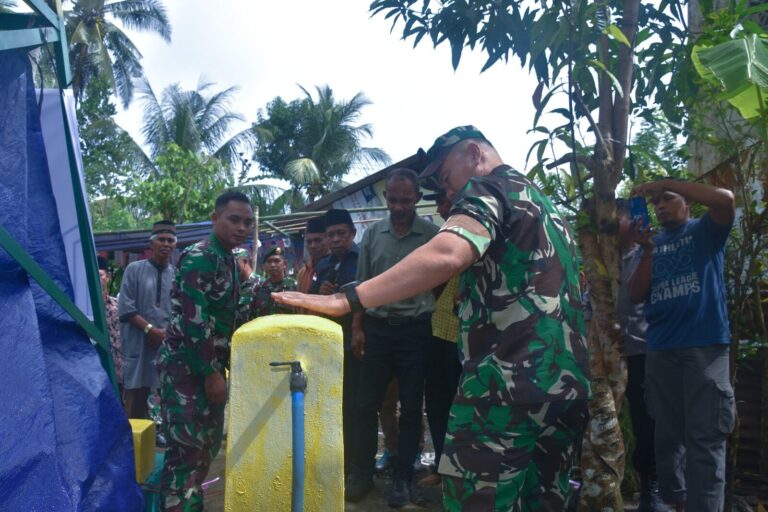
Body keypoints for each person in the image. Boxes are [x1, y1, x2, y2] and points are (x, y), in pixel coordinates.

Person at [273, 126, 591, 511]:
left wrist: (347, 299)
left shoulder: (489, 188)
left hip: (507, 389)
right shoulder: (545, 207)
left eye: (445, 178)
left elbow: (447, 254)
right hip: (564, 388)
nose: (448, 193)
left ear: (474, 154)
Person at [629, 179, 735, 512]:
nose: (660, 205)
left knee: (704, 440)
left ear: (687, 202)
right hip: (661, 350)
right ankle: (679, 505)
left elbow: (725, 200)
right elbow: (635, 294)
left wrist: (667, 182)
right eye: (656, 201)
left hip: (705, 347)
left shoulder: (705, 231)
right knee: (668, 438)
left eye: (668, 199)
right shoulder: (651, 242)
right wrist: (646, 251)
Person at [157, 191, 256, 511]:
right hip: (188, 372)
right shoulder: (199, 257)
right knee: (184, 454)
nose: (242, 228)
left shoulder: (229, 258)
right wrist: (212, 374)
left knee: (205, 450)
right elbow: (194, 324)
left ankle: (191, 504)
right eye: (234, 220)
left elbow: (232, 314)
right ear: (215, 219)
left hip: (210, 369)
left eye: (248, 222)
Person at [346, 168, 438, 507]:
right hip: (378, 331)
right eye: (393, 199)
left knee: (412, 408)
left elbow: (442, 284)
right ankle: (362, 474)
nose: (398, 206)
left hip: (416, 332)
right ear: (387, 199)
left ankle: (403, 479)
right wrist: (357, 328)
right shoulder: (372, 236)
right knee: (364, 404)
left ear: (416, 198)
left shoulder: (431, 235)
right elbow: (361, 288)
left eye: (405, 199)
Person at [616, 199, 664, 511]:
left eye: (615, 218)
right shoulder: (603, 261)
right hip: (615, 354)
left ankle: (653, 487)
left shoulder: (652, 252)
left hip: (647, 350)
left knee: (649, 424)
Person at [309, 208, 361, 476]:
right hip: (328, 345)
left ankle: (354, 464)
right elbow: (311, 302)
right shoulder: (323, 266)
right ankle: (333, 459)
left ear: (352, 233)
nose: (336, 239)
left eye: (341, 233)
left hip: (356, 343)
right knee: (329, 405)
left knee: (355, 406)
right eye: (331, 235)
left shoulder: (363, 259)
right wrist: (322, 295)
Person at [418, 190, 463, 489]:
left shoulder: (484, 234)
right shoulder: (442, 237)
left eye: (444, 202)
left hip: (468, 336)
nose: (439, 208)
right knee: (436, 402)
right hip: (439, 327)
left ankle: (462, 471)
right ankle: (443, 469)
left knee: (463, 405)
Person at [118, 220, 176, 419]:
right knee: (135, 395)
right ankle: (132, 442)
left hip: (164, 344)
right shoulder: (134, 269)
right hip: (138, 343)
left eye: (170, 240)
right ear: (151, 243)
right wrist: (151, 330)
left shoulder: (176, 275)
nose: (166, 244)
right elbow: (126, 308)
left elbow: (179, 312)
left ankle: (156, 435)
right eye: (161, 239)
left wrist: (164, 334)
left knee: (163, 392)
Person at [249, 245, 297, 318]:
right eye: (269, 262)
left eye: (277, 261)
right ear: (264, 266)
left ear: (285, 264)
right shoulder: (259, 289)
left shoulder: (295, 286)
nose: (273, 265)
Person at [99, 256, 123, 394]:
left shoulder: (118, 306)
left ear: (107, 277)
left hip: (117, 371)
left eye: (100, 275)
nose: (97, 278)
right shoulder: (85, 310)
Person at [296, 216, 329, 294]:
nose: (313, 246)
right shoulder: (302, 273)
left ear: (328, 239)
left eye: (318, 240)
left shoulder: (336, 267)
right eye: (309, 242)